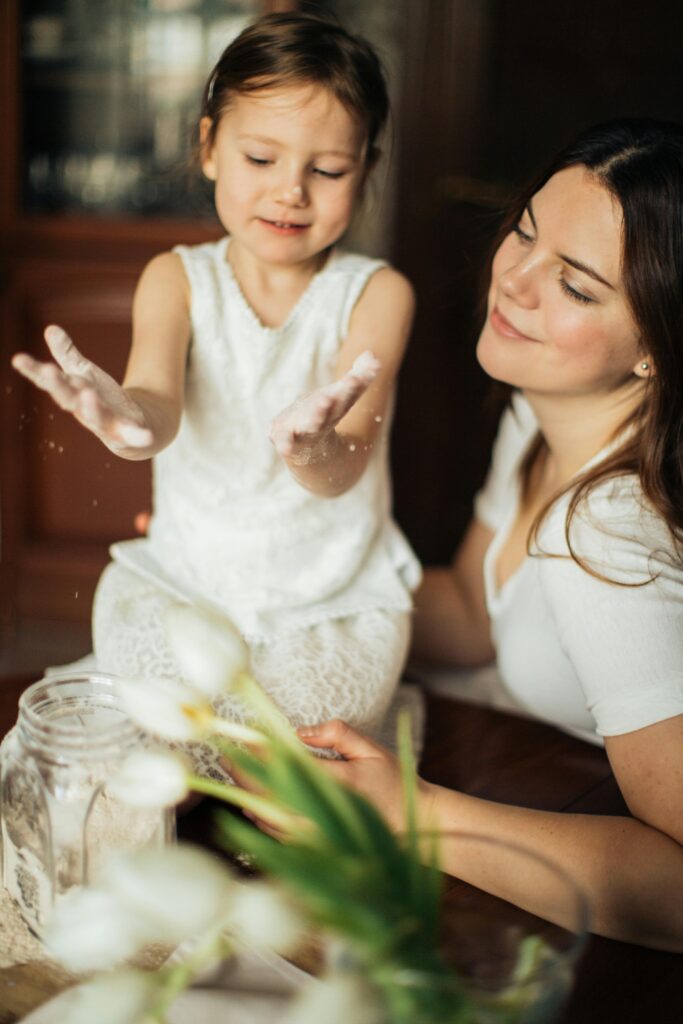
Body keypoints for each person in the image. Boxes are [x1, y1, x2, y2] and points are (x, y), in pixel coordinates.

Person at [293, 119, 683, 951]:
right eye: (525, 234)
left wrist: (413, 816)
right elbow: (472, 611)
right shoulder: (541, 416)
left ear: (656, 344)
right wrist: (268, 563)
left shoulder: (610, 538)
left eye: (576, 287)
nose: (515, 282)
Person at [11, 13, 421, 771]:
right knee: (155, 718)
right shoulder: (176, 278)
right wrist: (127, 421)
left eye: (327, 170)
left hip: (328, 605)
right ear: (208, 147)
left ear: (366, 169)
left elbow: (346, 464)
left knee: (296, 736)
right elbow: (155, 402)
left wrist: (314, 445)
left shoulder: (377, 294)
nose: (289, 192)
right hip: (189, 582)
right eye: (260, 157)